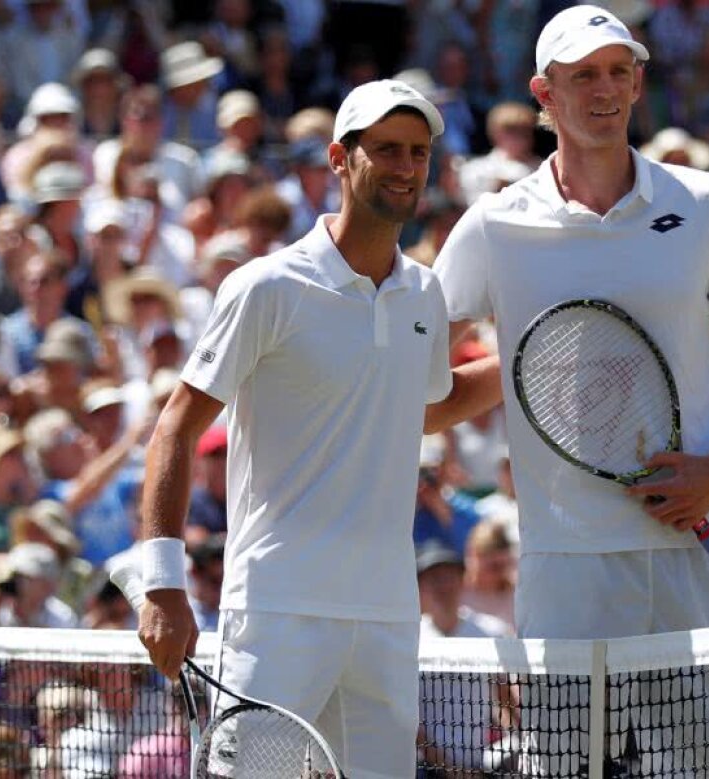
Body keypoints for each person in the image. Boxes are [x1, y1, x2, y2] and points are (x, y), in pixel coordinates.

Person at [430, 6, 709, 772]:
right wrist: (535, 372)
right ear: (543, 94)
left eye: (619, 70)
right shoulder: (494, 225)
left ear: (637, 82)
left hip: (701, 550)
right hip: (568, 574)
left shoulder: (706, 203)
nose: (604, 89)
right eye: (582, 74)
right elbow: (423, 388)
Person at [135, 80, 499, 776]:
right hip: (278, 608)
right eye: (386, 149)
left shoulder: (423, 292)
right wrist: (162, 584)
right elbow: (175, 427)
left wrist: (523, 363)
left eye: (418, 152)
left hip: (387, 614)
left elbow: (419, 409)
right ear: (339, 158)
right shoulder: (266, 286)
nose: (404, 166)